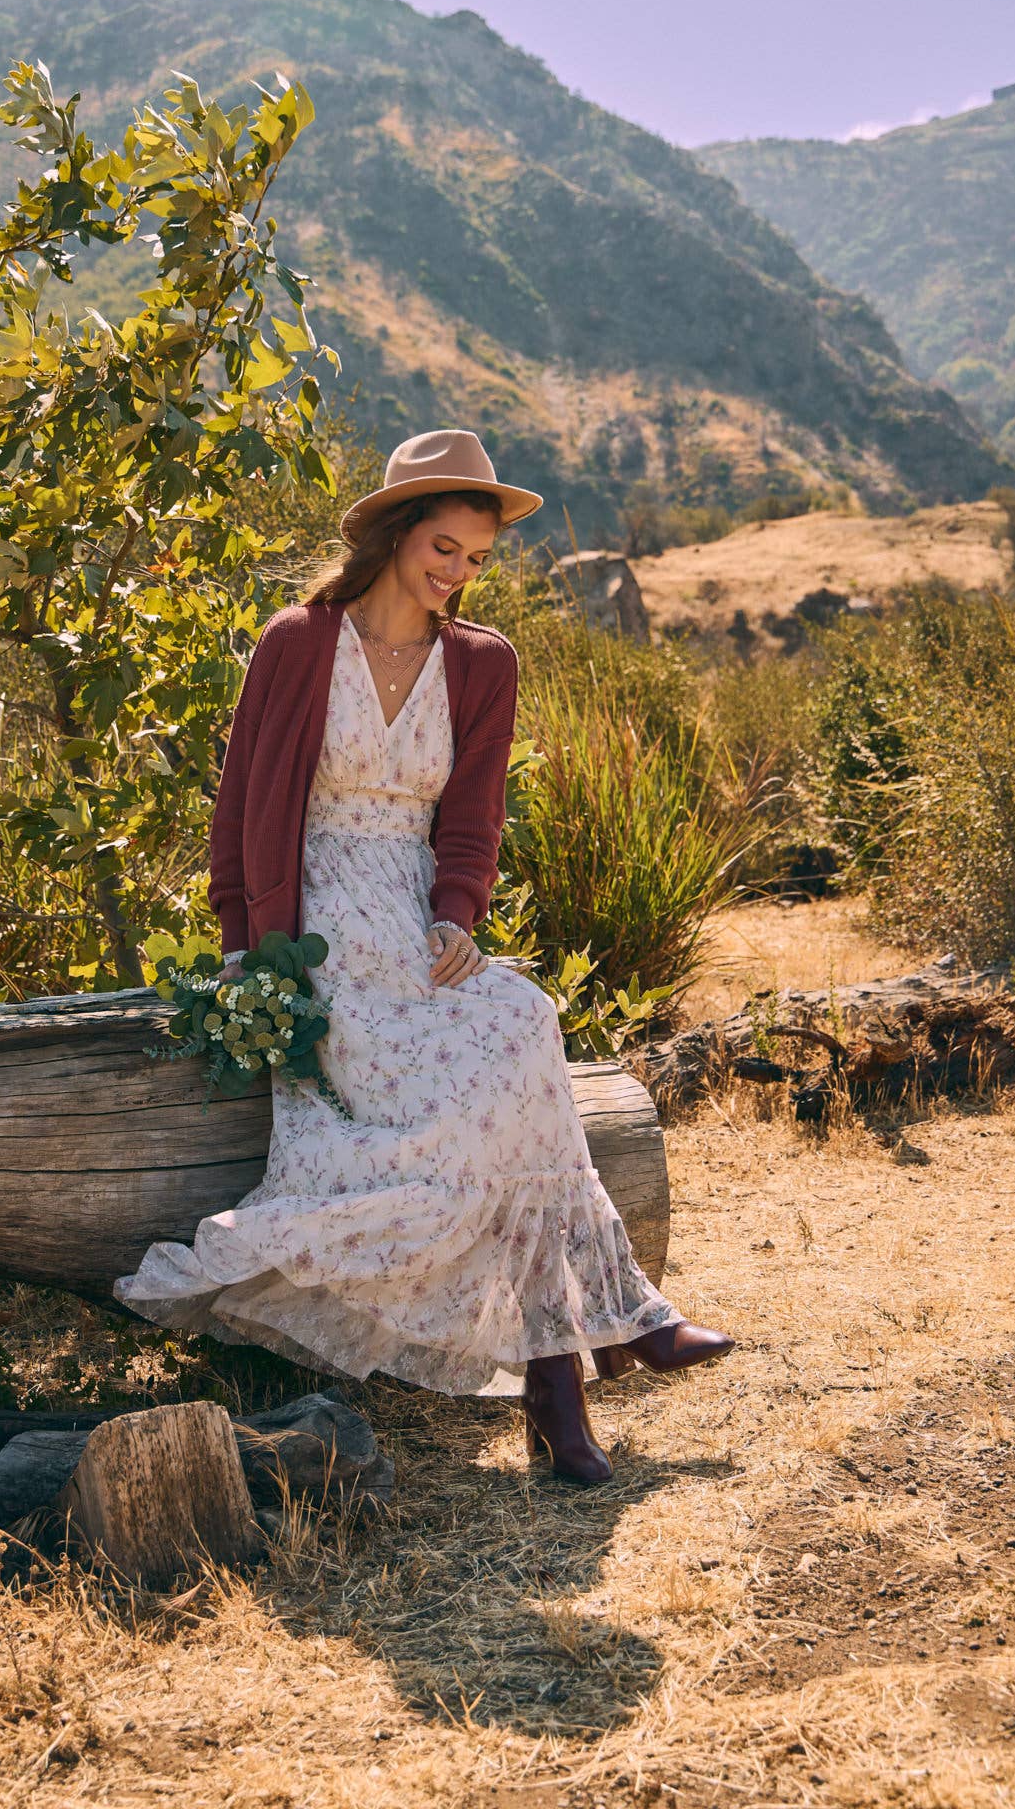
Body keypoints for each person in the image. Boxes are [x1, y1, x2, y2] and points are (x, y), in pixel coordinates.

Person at [115, 429, 734, 1485]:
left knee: (524, 1021)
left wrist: (458, 914)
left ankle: (571, 1370)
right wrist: (244, 959)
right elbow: (239, 813)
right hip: (314, 932)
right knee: (502, 1098)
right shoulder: (299, 642)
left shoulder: (484, 663)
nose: (456, 573)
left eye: (476, 559)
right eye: (443, 547)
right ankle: (588, 1360)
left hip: (415, 920)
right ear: (398, 535)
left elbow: (472, 820)